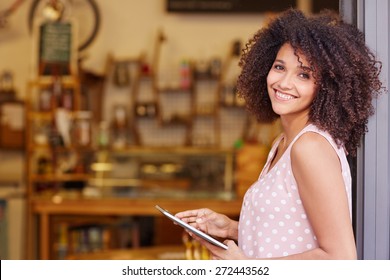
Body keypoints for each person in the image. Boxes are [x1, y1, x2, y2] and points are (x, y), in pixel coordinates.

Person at [175, 8, 383, 260]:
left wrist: (247, 268)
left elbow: (339, 257)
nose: (284, 83)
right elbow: (290, 233)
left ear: (327, 86)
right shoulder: (283, 143)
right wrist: (231, 228)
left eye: (304, 74)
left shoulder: (310, 148)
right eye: (279, 67)